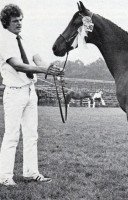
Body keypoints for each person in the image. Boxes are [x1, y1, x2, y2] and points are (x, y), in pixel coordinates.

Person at [0, 4, 62, 186]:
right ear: (6, 23)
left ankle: (30, 172)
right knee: (11, 135)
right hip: (14, 92)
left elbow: (37, 59)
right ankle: (4, 176)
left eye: (20, 19)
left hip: (29, 91)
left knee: (31, 134)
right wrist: (45, 70)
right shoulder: (3, 40)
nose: (19, 23)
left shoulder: (25, 39)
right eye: (15, 21)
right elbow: (19, 65)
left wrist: (51, 69)